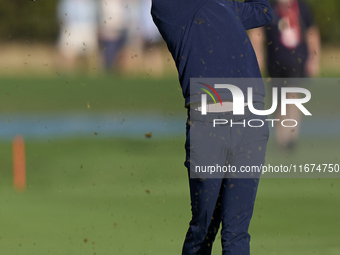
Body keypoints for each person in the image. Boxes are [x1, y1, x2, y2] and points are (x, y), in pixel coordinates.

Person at [151, 0, 273, 254]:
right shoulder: (168, 8)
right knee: (204, 228)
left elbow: (264, 11)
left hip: (251, 122)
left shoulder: (225, 5)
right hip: (209, 128)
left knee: (236, 233)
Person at [249, 0, 320, 150]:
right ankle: (281, 138)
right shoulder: (269, 8)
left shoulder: (301, 7)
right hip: (274, 62)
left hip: (297, 61)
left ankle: (291, 137)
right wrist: (258, 54)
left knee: (293, 96)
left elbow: (312, 32)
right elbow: (257, 32)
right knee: (278, 101)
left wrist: (314, 59)